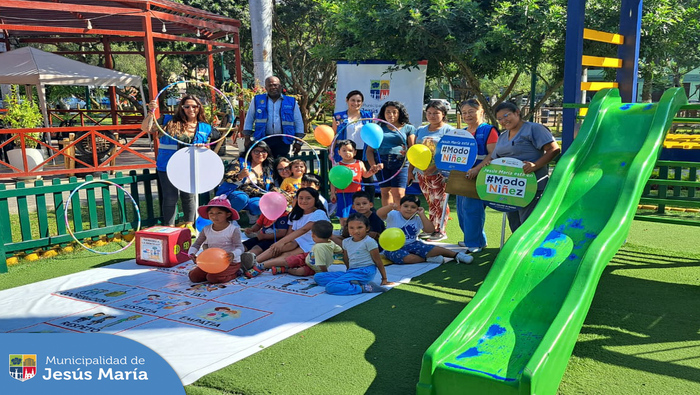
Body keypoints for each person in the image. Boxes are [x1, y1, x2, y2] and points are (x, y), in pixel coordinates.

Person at [481, 102, 560, 232]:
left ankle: (530, 251)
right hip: (509, 187)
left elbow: (554, 149)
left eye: (506, 115)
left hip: (531, 186)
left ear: (517, 112)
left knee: (528, 225)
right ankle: (516, 251)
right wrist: (490, 165)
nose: (503, 120)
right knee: (514, 223)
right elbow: (495, 158)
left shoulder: (533, 129)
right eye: (499, 119)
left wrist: (535, 165)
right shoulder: (502, 136)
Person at [141, 96, 214, 229]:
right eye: (187, 106)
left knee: (189, 197)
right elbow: (146, 128)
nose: (190, 109)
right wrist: (151, 111)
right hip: (167, 165)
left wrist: (203, 147)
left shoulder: (205, 127)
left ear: (199, 108)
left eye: (194, 106)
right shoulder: (168, 121)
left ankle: (189, 226)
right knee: (170, 197)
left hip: (190, 166)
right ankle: (169, 227)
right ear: (181, 108)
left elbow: (208, 148)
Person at [242, 187, 330, 277]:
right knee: (279, 247)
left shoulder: (319, 213)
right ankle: (254, 261)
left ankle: (260, 265)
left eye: (308, 198)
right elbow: (290, 233)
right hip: (297, 241)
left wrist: (280, 243)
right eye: (301, 198)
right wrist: (281, 244)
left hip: (313, 242)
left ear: (315, 199)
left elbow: (304, 230)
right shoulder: (295, 214)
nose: (304, 201)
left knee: (287, 254)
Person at [377, 195, 473, 265]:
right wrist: (390, 207)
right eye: (405, 206)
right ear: (400, 207)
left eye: (413, 207)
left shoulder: (418, 219)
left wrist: (422, 214)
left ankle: (457, 255)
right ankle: (427, 259)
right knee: (407, 258)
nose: (409, 209)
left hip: (413, 244)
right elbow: (379, 214)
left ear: (417, 209)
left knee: (436, 249)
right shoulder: (394, 214)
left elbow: (430, 230)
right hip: (392, 247)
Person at [456, 99, 499, 252]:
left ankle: (475, 243)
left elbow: (493, 154)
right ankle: (472, 238)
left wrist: (477, 169)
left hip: (480, 174)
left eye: (471, 112)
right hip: (462, 175)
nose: (467, 115)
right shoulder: (463, 131)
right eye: (464, 112)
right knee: (461, 209)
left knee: (472, 208)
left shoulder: (488, 130)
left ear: (481, 112)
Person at [408, 100, 454, 241]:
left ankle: (441, 230)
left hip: (440, 173)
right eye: (429, 113)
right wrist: (412, 170)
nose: (432, 116)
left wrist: (435, 167)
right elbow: (414, 152)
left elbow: (449, 153)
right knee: (431, 202)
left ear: (443, 114)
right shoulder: (421, 130)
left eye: (436, 113)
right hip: (422, 173)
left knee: (440, 202)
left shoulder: (449, 130)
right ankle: (432, 228)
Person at [314, 213, 393, 295]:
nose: (355, 231)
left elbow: (378, 261)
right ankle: (352, 282)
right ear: (347, 228)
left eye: (359, 227)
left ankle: (364, 288)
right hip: (352, 271)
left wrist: (384, 278)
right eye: (351, 228)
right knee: (318, 277)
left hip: (365, 272)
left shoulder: (369, 242)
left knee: (330, 287)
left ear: (367, 228)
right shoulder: (346, 242)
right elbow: (346, 258)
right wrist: (349, 272)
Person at [242, 76, 305, 158]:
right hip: (263, 138)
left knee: (280, 164)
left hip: (283, 140)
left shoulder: (291, 101)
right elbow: (249, 119)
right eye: (270, 85)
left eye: (275, 85)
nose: (273, 87)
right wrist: (247, 138)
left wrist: (298, 141)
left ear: (280, 86)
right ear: (266, 88)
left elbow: (298, 121)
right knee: (265, 163)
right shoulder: (257, 100)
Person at [367, 101, 416, 206]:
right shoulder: (378, 128)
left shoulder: (408, 128)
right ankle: (388, 220)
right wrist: (373, 165)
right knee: (385, 192)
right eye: (388, 112)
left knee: (399, 193)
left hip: (400, 163)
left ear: (400, 113)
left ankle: (399, 219)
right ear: (383, 113)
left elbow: (413, 149)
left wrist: (411, 169)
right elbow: (369, 151)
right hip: (381, 163)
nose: (391, 115)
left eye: (394, 112)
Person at [187, 195, 245, 284]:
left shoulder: (233, 230)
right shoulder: (206, 229)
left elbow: (240, 247)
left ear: (228, 214)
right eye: (211, 213)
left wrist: (233, 254)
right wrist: (191, 253)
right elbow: (197, 244)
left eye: (219, 213)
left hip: (230, 262)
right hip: (211, 261)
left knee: (213, 278)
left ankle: (237, 272)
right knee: (193, 277)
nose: (214, 216)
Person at [217, 141, 277, 222]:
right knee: (241, 197)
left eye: (263, 151)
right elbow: (227, 177)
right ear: (250, 152)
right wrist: (239, 176)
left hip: (254, 197)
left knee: (259, 204)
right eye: (256, 151)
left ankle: (252, 220)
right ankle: (228, 220)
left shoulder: (268, 168)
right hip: (235, 195)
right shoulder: (241, 162)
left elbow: (271, 186)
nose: (260, 154)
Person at [332, 90, 376, 198]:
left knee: (368, 180)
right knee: (344, 180)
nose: (355, 103)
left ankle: (369, 206)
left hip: (365, 152)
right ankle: (344, 206)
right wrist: (331, 152)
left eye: (358, 101)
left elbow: (374, 134)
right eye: (353, 100)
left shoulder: (369, 116)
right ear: (347, 100)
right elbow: (334, 136)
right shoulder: (338, 117)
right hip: (346, 152)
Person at [259, 220, 342, 276]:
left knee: (299, 271)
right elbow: (339, 251)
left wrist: (323, 273)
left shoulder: (322, 246)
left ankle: (284, 269)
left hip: (315, 268)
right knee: (291, 260)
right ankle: (263, 265)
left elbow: (322, 263)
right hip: (306, 258)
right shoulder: (328, 244)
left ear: (313, 235)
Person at [330, 140, 380, 228]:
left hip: (357, 194)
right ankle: (344, 229)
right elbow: (333, 181)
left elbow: (365, 175)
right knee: (343, 214)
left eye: (350, 150)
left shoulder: (359, 163)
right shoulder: (338, 165)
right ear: (339, 152)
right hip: (343, 194)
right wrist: (333, 193)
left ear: (355, 152)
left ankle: (359, 228)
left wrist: (372, 171)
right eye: (344, 150)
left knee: (358, 213)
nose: (347, 153)